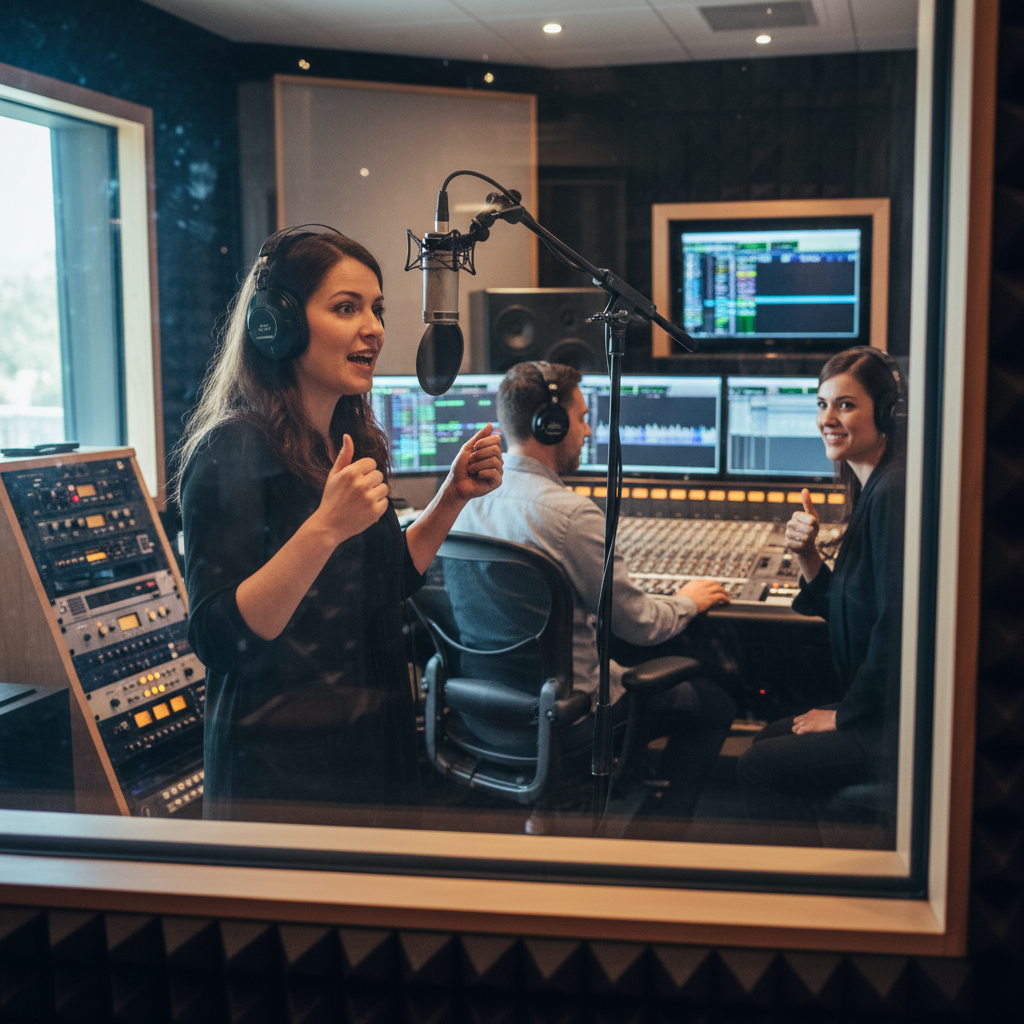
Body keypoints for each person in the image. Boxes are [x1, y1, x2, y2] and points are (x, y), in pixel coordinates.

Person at [173, 226, 502, 824]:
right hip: (283, 776)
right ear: (278, 323)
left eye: (377, 309)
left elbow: (386, 580)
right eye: (347, 308)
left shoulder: (349, 440)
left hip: (372, 744)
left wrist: (452, 497)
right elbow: (220, 638)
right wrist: (324, 528)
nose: (373, 328)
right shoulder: (232, 450)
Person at [453, 361, 736, 819]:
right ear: (551, 424)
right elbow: (640, 626)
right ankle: (658, 833)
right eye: (582, 418)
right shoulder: (570, 516)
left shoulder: (460, 501)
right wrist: (688, 600)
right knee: (714, 703)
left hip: (480, 714)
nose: (588, 431)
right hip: (566, 721)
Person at [736, 346, 906, 830]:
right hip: (878, 712)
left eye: (845, 405)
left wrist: (844, 716)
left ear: (886, 413)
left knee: (757, 766)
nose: (827, 419)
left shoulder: (893, 493)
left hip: (888, 724)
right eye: (821, 404)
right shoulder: (874, 488)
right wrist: (807, 554)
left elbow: (897, 628)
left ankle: (806, 873)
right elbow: (854, 613)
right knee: (766, 740)